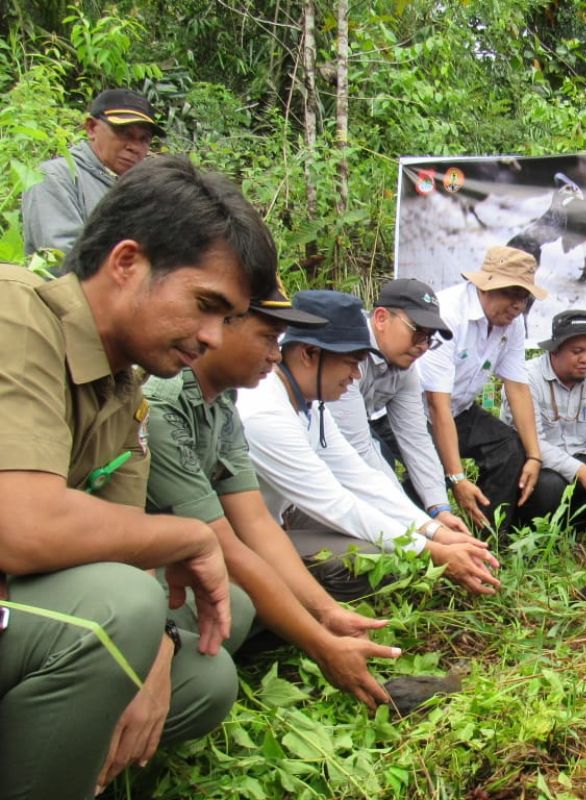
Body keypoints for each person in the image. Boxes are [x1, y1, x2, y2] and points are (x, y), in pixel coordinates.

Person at [0, 154, 277, 799]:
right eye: (206, 305)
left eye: (229, 318)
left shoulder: (128, 388)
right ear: (127, 263)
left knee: (202, 670)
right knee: (115, 615)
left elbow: (123, 548)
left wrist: (150, 650)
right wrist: (191, 538)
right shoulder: (18, 317)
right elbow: (23, 523)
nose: (212, 336)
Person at [144, 281, 407, 710]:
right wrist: (321, 643)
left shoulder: (224, 403)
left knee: (244, 602)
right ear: (219, 328)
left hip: (195, 555)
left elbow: (259, 525)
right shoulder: (167, 405)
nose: (274, 353)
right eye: (268, 338)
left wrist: (327, 613)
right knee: (237, 612)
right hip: (146, 572)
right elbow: (229, 542)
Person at [236, 290, 500, 596]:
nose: (356, 374)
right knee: (374, 556)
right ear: (309, 354)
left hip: (277, 521)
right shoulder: (266, 412)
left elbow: (360, 477)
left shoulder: (310, 405)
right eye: (351, 362)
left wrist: (434, 530)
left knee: (382, 539)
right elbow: (337, 503)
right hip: (239, 543)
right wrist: (431, 551)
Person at [417, 246, 547, 535]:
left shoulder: (512, 325)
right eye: (511, 294)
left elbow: (517, 388)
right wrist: (457, 478)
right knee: (428, 473)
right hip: (415, 411)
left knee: (508, 448)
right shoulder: (447, 314)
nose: (517, 305)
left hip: (459, 408)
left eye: (523, 297)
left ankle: (488, 538)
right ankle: (419, 541)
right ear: (486, 285)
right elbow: (437, 406)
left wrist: (535, 456)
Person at [325, 278, 470, 537]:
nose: (423, 346)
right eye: (417, 331)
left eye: (429, 338)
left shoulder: (405, 367)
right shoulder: (344, 352)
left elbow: (416, 438)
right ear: (381, 318)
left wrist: (440, 510)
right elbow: (359, 450)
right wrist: (419, 526)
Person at [501, 309, 586, 531]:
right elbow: (532, 443)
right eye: (577, 351)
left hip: (578, 458)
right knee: (551, 486)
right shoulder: (525, 378)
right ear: (554, 351)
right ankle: (527, 533)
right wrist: (581, 471)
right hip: (533, 465)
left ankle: (569, 530)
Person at [22, 88, 164, 258]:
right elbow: (60, 256)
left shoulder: (145, 189)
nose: (134, 147)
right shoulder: (54, 177)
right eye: (124, 134)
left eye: (144, 139)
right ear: (91, 128)